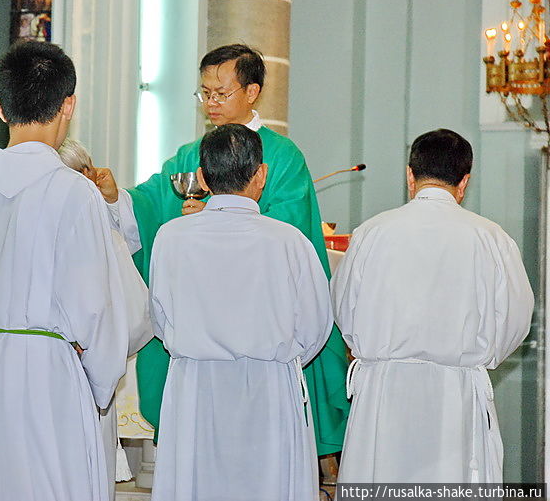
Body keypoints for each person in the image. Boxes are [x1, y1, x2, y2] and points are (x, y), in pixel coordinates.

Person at [0, 40, 131, 501]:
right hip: (49, 377)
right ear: (68, 103)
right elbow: (97, 308)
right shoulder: (76, 195)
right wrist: (96, 382)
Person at [111, 44, 350, 456]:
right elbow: (151, 205)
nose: (211, 103)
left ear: (252, 91)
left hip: (262, 338)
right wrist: (116, 197)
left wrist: (219, 213)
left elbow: (291, 230)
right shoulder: (191, 155)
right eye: (205, 93)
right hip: (200, 342)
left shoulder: (281, 157)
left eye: (221, 93)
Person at [332, 129, 534, 482]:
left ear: (410, 175)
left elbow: (344, 308)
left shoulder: (371, 233)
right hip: (455, 393)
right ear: (464, 181)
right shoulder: (491, 238)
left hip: (384, 392)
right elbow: (516, 320)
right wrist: (481, 357)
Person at [148, 124, 332, 501]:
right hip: (269, 389)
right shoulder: (289, 241)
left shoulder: (171, 237)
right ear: (261, 173)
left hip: (196, 387)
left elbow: (161, 319)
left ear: (201, 176)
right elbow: (316, 324)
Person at [58, 138, 154, 499]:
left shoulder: (104, 235)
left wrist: (96, 355)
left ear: (87, 177)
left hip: (89, 377)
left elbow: (136, 318)